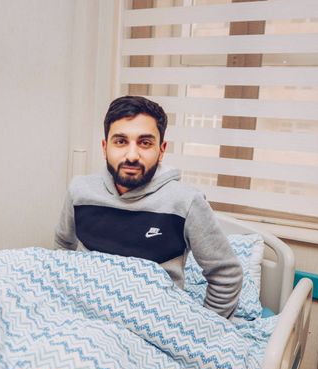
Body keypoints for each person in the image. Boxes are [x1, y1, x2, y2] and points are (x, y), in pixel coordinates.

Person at [55, 95, 243, 318]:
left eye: (145, 143)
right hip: (84, 314)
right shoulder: (80, 191)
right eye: (120, 141)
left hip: (155, 320)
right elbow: (63, 246)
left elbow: (226, 275)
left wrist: (206, 325)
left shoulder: (186, 202)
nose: (132, 156)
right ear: (105, 147)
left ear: (161, 150)